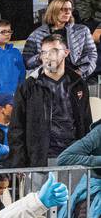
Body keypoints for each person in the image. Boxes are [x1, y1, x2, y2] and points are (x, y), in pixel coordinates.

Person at [9, 35, 92, 169]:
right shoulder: (28, 87)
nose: (48, 56)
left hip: (74, 157)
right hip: (40, 159)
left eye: (53, 51)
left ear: (66, 53)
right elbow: (16, 128)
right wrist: (19, 163)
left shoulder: (78, 84)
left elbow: (86, 122)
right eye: (44, 52)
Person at [23, 0, 98, 79]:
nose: (67, 12)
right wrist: (41, 57)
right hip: (46, 80)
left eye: (69, 9)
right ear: (54, 11)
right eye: (63, 9)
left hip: (74, 79)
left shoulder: (82, 31)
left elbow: (92, 55)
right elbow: (26, 61)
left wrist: (80, 72)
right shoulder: (37, 33)